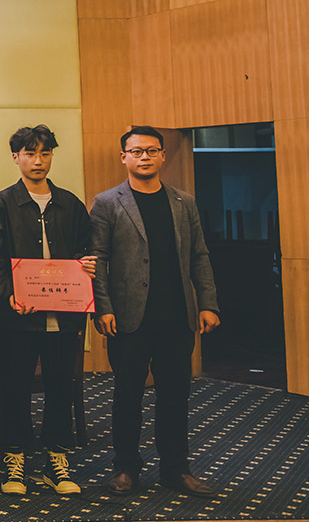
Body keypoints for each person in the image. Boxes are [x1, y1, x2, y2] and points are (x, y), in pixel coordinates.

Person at [90, 125, 221, 497]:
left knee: (175, 397)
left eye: (151, 150)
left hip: (178, 316)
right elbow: (97, 261)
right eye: (136, 151)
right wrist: (103, 308)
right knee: (127, 396)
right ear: (124, 158)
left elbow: (199, 256)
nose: (144, 157)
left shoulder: (184, 202)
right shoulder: (106, 202)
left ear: (163, 155)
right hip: (127, 319)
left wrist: (208, 303)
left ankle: (176, 470)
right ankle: (125, 469)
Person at [0, 124, 95, 497]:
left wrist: (89, 264)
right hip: (18, 315)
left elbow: (87, 249)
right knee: (14, 388)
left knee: (61, 388)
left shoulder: (70, 204)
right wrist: (8, 296)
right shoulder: (2, 203)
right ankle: (14, 459)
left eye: (45, 153)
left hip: (65, 315)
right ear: (15, 157)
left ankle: (55, 461)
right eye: (30, 153)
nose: (38, 161)